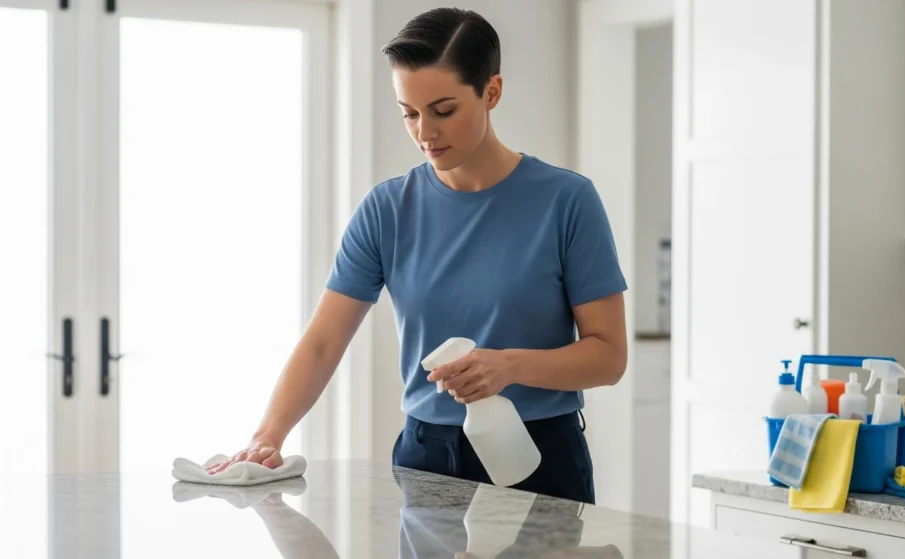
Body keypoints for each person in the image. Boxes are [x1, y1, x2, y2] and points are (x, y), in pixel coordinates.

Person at [206, 7, 627, 504]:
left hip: (539, 456)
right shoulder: (387, 209)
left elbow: (608, 356)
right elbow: (323, 343)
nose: (425, 132)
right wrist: (267, 435)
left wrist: (508, 366)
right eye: (409, 112)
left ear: (491, 92)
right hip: (427, 456)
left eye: (443, 110)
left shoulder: (566, 201)